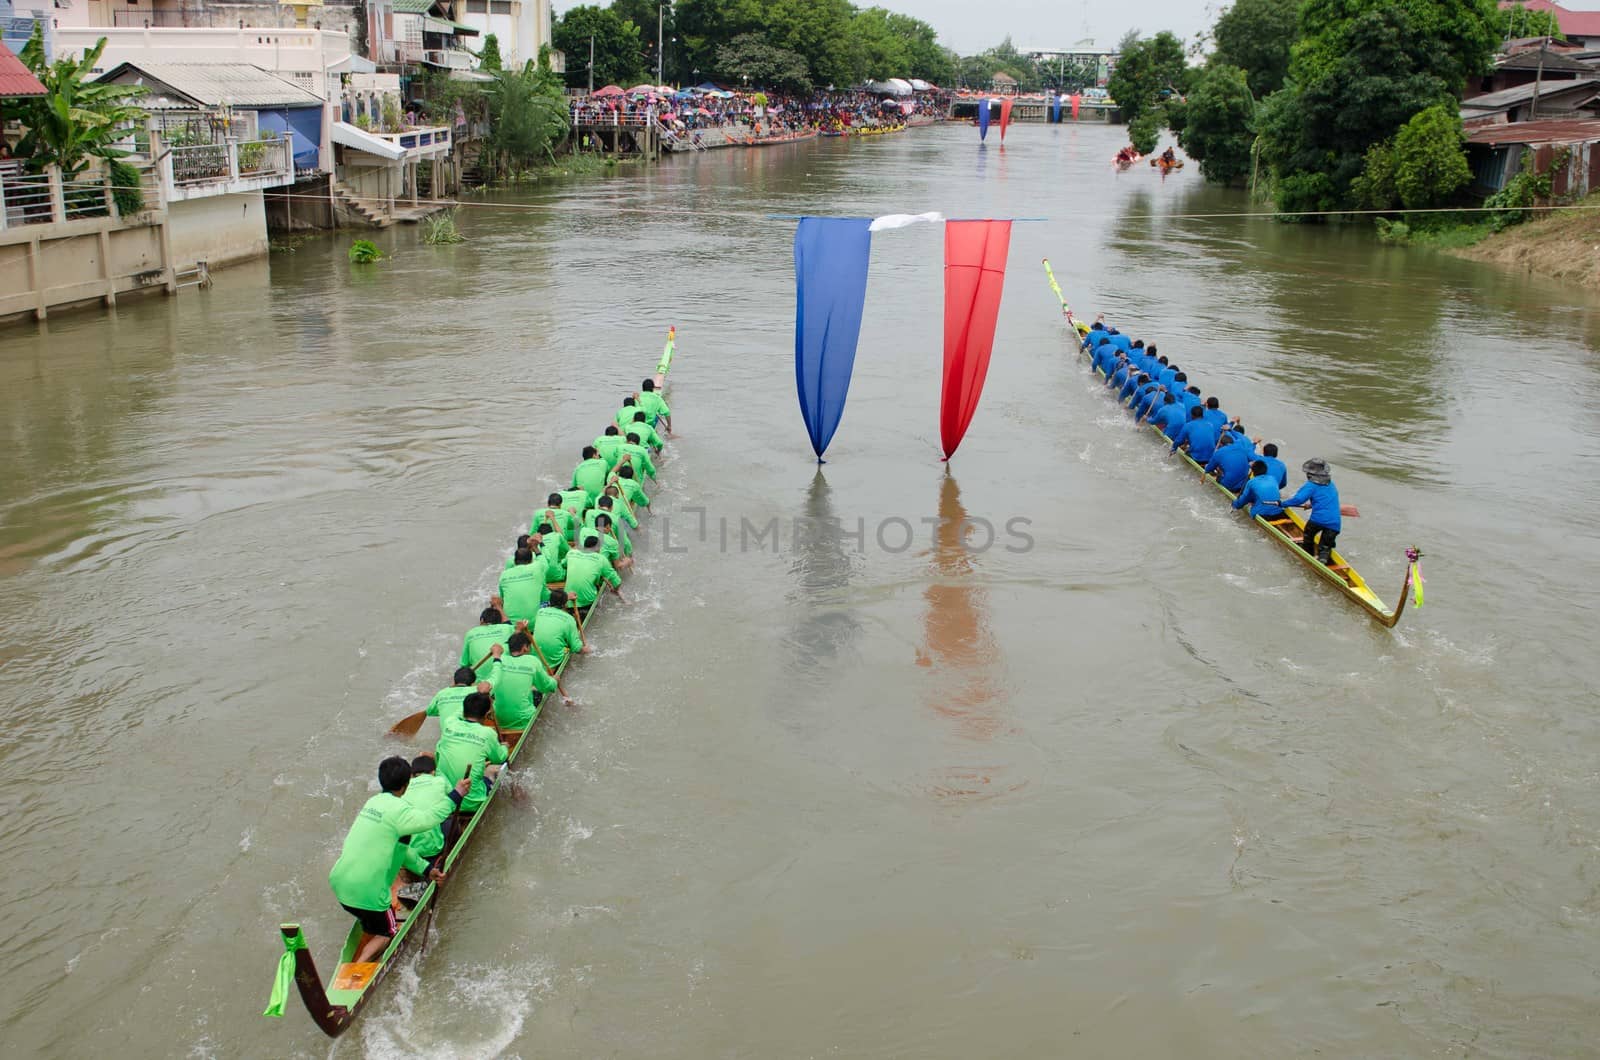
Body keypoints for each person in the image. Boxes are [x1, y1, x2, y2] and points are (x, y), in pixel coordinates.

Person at [328, 756, 467, 963]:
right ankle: (358, 966)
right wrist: (456, 795)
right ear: (405, 785)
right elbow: (429, 819)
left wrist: (427, 869)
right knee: (387, 932)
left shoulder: (372, 802)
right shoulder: (399, 810)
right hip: (368, 891)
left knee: (370, 918)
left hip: (339, 884)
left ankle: (369, 925)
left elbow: (402, 851)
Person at [435, 692, 508, 814]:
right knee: (495, 769)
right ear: (486, 715)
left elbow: (459, 712)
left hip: (446, 799)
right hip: (473, 801)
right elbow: (500, 758)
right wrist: (504, 747)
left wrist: (479, 693)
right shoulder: (487, 733)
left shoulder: (449, 723)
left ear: (464, 711)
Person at [489, 628, 561, 723]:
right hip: (525, 719)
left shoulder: (499, 660)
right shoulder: (532, 661)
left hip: (499, 718)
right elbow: (547, 687)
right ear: (525, 648)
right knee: (538, 692)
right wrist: (555, 680)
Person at [399, 754, 456, 875]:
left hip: (407, 850)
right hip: (433, 849)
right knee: (451, 822)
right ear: (433, 772)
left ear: (412, 774)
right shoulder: (439, 780)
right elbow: (453, 797)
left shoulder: (403, 788)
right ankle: (450, 853)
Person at [1284, 457, 1342, 564]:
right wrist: (1311, 505)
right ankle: (1323, 557)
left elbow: (1298, 499)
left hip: (1318, 520)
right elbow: (1325, 499)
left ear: (1310, 474)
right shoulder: (1330, 484)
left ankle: (1308, 555)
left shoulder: (1311, 485)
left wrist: (1282, 504)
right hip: (1335, 523)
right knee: (1326, 546)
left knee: (1308, 535)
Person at [532, 587, 588, 669]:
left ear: (550, 602)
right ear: (565, 604)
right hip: (556, 658)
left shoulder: (540, 611)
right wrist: (587, 650)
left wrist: (567, 597)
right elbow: (576, 648)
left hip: (537, 655)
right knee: (569, 648)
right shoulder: (569, 619)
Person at [425, 664, 495, 729]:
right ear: (473, 683)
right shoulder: (477, 690)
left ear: (454, 680)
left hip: (447, 734)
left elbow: (429, 712)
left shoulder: (442, 692)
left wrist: (446, 705)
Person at [564, 533, 624, 608]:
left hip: (567, 599)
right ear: (597, 548)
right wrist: (615, 589)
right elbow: (617, 582)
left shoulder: (571, 552)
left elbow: (563, 564)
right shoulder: (601, 558)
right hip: (587, 601)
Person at [497, 547, 549, 622]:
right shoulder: (538, 568)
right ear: (531, 561)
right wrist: (536, 549)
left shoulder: (504, 574)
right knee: (548, 598)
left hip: (511, 625)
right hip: (533, 623)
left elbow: (502, 599)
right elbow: (545, 563)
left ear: (514, 562)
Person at [459, 606, 513, 676]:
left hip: (479, 682)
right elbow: (514, 627)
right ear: (499, 622)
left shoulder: (470, 633)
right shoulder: (507, 628)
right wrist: (498, 606)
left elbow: (464, 663)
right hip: (502, 677)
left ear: (482, 620)